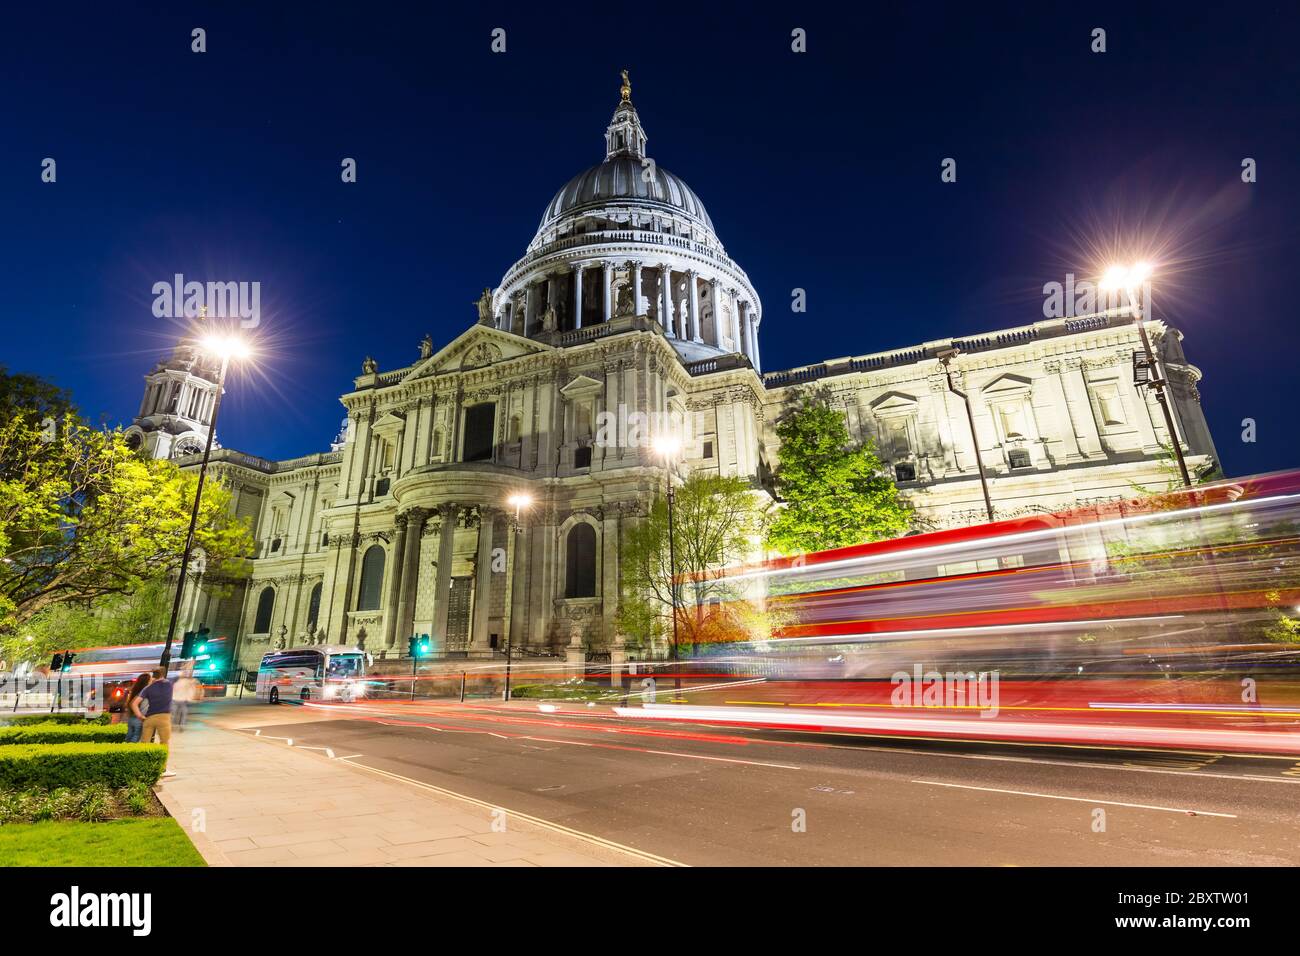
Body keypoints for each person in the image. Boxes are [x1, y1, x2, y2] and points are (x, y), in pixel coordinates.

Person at [133, 667, 175, 777]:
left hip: (149, 718)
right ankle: (163, 769)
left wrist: (140, 715)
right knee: (164, 743)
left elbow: (134, 704)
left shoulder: (148, 688)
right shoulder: (169, 684)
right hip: (164, 718)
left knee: (144, 743)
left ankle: (142, 768)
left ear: (153, 675)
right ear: (163, 674)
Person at [122, 672, 151, 743]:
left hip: (131, 718)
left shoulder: (135, 692)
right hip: (139, 719)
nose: (151, 682)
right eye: (150, 680)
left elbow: (129, 704)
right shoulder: (145, 693)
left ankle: (124, 750)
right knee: (136, 737)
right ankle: (130, 752)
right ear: (146, 682)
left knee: (128, 737)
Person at [173, 664, 198, 729]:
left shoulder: (184, 681)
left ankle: (180, 725)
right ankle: (180, 725)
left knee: (178, 713)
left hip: (179, 700)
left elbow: (192, 680)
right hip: (177, 700)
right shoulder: (179, 681)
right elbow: (192, 680)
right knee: (180, 713)